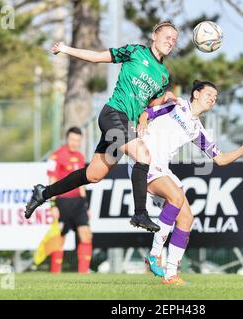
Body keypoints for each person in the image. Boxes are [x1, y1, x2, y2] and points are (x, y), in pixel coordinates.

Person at [24, 21, 179, 232]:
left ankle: (44, 192)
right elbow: (97, 57)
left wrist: (165, 98)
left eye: (174, 39)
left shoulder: (163, 75)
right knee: (143, 156)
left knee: (94, 175)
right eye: (167, 36)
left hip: (125, 122)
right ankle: (140, 213)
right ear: (154, 35)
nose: (171, 41)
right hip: (113, 114)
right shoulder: (135, 51)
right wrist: (65, 49)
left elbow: (148, 104)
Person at [131, 80, 243, 285]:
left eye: (216, 97)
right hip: (143, 160)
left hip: (162, 168)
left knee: (186, 219)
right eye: (209, 93)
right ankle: (155, 255)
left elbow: (220, 160)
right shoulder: (177, 105)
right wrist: (144, 119)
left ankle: (171, 275)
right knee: (176, 196)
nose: (213, 98)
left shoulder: (196, 129)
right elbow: (147, 111)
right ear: (196, 94)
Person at [47, 127, 92, 274]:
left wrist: (86, 206)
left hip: (78, 203)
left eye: (78, 140)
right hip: (62, 202)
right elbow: (52, 180)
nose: (75, 143)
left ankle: (83, 275)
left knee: (86, 235)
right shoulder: (56, 156)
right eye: (72, 139)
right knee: (59, 239)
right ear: (66, 139)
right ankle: (55, 274)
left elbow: (81, 184)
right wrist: (53, 204)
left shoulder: (80, 157)